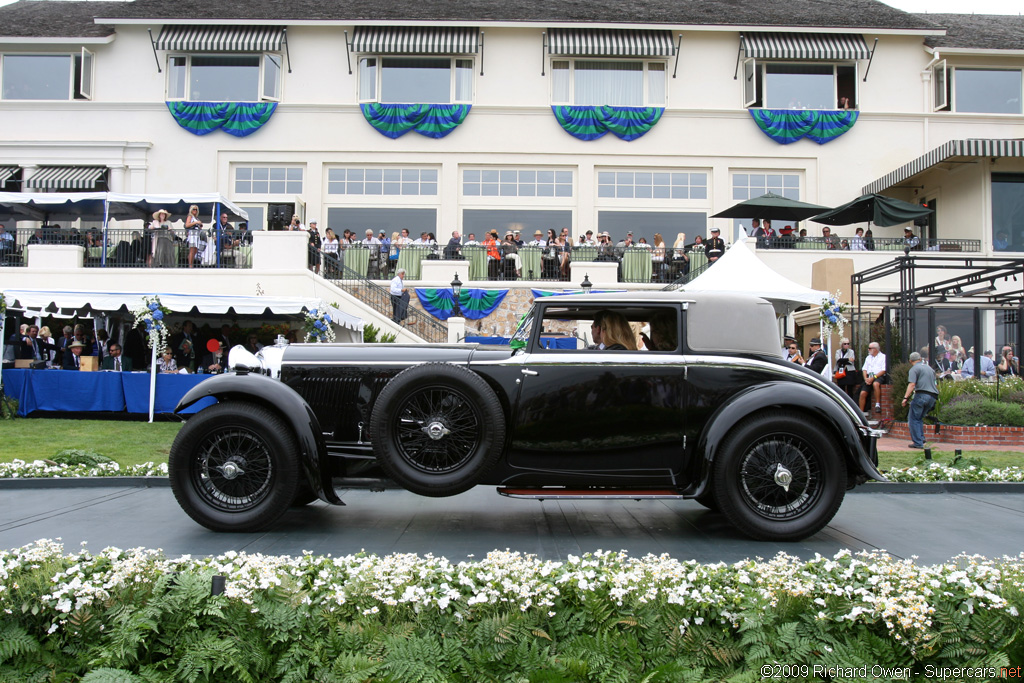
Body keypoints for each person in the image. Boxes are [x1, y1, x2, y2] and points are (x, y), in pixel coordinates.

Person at [903, 351, 938, 449]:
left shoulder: (914, 369)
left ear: (910, 361)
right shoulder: (929, 368)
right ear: (920, 359)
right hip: (932, 397)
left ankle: (918, 443)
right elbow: (935, 384)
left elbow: (912, 384)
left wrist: (905, 397)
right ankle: (921, 438)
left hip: (921, 395)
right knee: (919, 418)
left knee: (913, 419)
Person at [859, 341, 887, 414]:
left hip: (878, 376)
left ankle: (877, 404)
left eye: (870, 348)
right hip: (869, 377)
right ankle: (860, 413)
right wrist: (866, 379)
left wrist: (873, 377)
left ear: (875, 349)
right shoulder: (868, 357)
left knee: (875, 384)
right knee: (862, 393)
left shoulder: (883, 357)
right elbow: (864, 369)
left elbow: (884, 370)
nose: (868, 350)